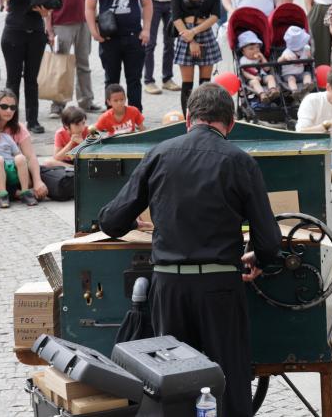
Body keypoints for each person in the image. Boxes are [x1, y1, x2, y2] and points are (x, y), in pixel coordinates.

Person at [98, 82, 278, 417]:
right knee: (229, 379)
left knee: (174, 384)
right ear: (231, 123)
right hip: (221, 288)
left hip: (169, 288)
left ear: (187, 120)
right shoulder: (240, 161)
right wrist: (259, 258)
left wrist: (138, 220)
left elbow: (111, 221)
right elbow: (269, 241)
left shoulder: (159, 154)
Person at [85, 0, 153, 113]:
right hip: (109, 38)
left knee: (134, 80)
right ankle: (111, 116)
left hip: (134, 37)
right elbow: (89, 6)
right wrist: (94, 31)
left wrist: (146, 29)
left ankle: (136, 116)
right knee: (111, 81)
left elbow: (147, 4)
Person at [44, 0, 98, 116]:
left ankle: (86, 101)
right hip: (61, 23)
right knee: (61, 65)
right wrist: (49, 29)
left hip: (83, 22)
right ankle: (58, 105)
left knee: (84, 63)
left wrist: (94, 21)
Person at [1, 0, 50, 134]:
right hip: (14, 33)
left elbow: (46, 9)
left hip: (36, 34)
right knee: (13, 79)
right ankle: (10, 120)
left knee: (31, 79)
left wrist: (45, 13)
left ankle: (33, 120)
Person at [171, 0, 221, 114]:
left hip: (205, 33)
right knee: (187, 84)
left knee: (205, 84)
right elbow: (176, 17)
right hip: (185, 34)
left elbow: (215, 16)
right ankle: (188, 118)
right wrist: (190, 38)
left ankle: (204, 116)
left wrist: (195, 32)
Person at [0, 89, 47, 200]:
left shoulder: (18, 128)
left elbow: (30, 156)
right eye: (4, 106)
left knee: (26, 172)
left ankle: (7, 193)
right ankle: (17, 194)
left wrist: (37, 181)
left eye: (13, 107)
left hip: (12, 173)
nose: (9, 111)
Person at [0, 108, 36, 207]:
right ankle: (3, 194)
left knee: (20, 157)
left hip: (11, 170)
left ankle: (25, 192)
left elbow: (17, 154)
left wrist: (27, 173)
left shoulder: (6, 137)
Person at [237, 31, 280, 102]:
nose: (255, 50)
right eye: (251, 48)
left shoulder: (259, 57)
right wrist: (253, 77)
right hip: (251, 79)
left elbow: (267, 69)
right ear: (243, 51)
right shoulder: (243, 60)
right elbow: (244, 72)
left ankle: (272, 90)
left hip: (263, 76)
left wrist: (262, 58)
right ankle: (262, 94)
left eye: (257, 47)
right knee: (255, 82)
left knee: (270, 77)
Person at [279, 26, 314, 93]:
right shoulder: (287, 52)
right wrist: (283, 58)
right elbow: (278, 61)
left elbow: (306, 63)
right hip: (288, 74)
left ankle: (307, 85)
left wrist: (309, 57)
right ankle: (295, 91)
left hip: (300, 73)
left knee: (307, 74)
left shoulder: (305, 49)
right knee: (291, 79)